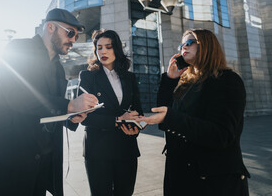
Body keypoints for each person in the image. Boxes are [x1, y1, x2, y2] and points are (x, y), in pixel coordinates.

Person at [0, 8, 99, 196]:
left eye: (76, 35)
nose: (74, 40)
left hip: (39, 162)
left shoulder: (59, 68)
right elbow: (15, 96)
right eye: (70, 33)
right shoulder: (17, 49)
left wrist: (70, 117)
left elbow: (51, 111)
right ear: (50, 27)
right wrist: (67, 105)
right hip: (6, 156)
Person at [137, 29, 250, 196]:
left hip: (211, 179)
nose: (184, 47)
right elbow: (164, 114)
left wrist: (171, 117)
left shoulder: (227, 80)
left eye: (189, 43)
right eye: (182, 44)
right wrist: (169, 79)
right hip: (180, 175)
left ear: (206, 46)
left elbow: (221, 134)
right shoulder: (186, 82)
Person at [78, 29, 143, 196]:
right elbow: (84, 117)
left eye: (108, 47)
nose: (103, 51)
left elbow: (139, 111)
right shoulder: (87, 77)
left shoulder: (129, 77)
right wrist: (118, 120)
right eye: (99, 47)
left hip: (126, 148)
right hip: (99, 150)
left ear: (117, 49)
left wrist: (138, 126)